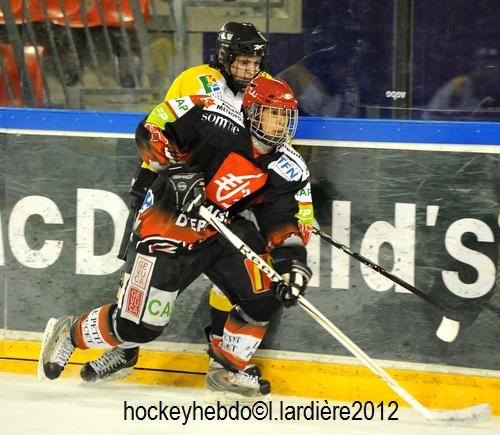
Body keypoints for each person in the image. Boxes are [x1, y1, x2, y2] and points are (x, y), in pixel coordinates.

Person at [38, 76, 312, 399]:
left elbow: (282, 220)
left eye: (285, 116)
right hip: (167, 222)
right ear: (252, 112)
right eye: (273, 114)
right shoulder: (211, 114)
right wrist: (176, 170)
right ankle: (70, 333)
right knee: (138, 327)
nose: (280, 124)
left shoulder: (288, 166)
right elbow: (152, 126)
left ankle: (227, 370)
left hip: (219, 228)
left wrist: (292, 264)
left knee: (266, 291)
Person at [78, 21, 306, 386]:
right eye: (242, 61)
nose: (249, 69)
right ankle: (125, 348)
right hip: (173, 189)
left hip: (227, 199)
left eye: (255, 62)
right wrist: (159, 174)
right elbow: (166, 125)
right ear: (225, 57)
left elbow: (270, 149)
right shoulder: (196, 80)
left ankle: (222, 361)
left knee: (244, 275)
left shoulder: (266, 88)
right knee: (140, 269)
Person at [422, 47, 500, 120]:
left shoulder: (497, 87)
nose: (486, 66)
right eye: (482, 62)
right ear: (474, 64)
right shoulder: (458, 84)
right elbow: (429, 114)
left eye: (491, 63)